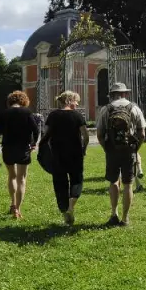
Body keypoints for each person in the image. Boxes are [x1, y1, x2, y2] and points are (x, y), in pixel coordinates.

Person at [96, 82, 146, 227]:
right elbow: (142, 133)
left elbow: (99, 134)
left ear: (112, 94)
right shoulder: (134, 108)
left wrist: (107, 148)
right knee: (128, 184)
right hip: (129, 149)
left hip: (112, 150)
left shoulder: (106, 109)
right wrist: (136, 149)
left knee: (113, 182)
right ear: (125, 93)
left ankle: (114, 213)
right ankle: (125, 218)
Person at [42, 91, 89, 226]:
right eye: (76, 101)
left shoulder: (53, 115)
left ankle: (65, 212)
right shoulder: (78, 116)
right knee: (77, 180)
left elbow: (46, 135)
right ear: (69, 100)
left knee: (60, 183)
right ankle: (70, 207)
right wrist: (83, 149)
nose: (77, 104)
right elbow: (85, 136)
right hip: (75, 154)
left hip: (57, 154)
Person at [0, 91, 39, 219]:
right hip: (23, 149)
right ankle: (18, 209)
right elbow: (36, 130)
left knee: (11, 176)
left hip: (7, 148)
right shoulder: (27, 112)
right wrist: (34, 144)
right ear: (24, 101)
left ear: (10, 101)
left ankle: (12, 204)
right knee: (21, 179)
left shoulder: (4, 114)